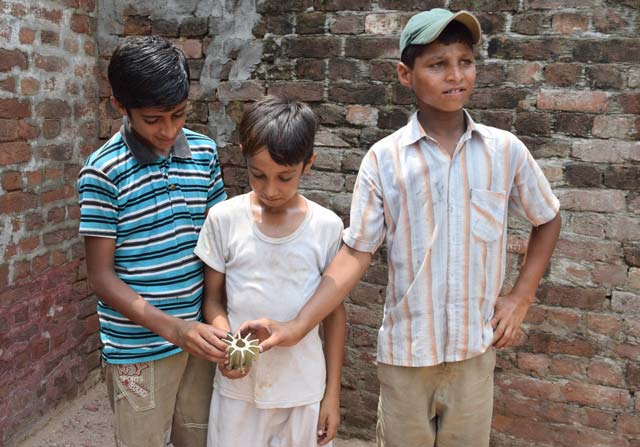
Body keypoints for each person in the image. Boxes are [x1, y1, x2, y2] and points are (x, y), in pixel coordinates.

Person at [241, 9, 562, 447]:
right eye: (437, 64)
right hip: (406, 358)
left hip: (474, 353)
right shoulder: (385, 160)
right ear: (405, 75)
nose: (455, 75)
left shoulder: (503, 151)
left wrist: (520, 296)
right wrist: (298, 326)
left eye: (465, 62)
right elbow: (356, 253)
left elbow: (548, 217)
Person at [77, 35, 228, 447]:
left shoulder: (204, 153)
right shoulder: (104, 172)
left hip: (199, 338)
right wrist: (172, 329)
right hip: (137, 349)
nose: (168, 129)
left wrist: (214, 319)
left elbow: (219, 243)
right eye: (152, 119)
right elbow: (101, 276)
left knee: (199, 435)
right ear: (119, 106)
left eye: (178, 114)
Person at [194, 95, 346, 447]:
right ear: (244, 158)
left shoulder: (326, 227)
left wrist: (331, 395)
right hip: (239, 390)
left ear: (308, 164)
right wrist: (228, 344)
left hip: (303, 388)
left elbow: (334, 315)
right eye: (258, 175)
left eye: (285, 177)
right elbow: (213, 300)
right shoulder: (224, 218)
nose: (270, 190)